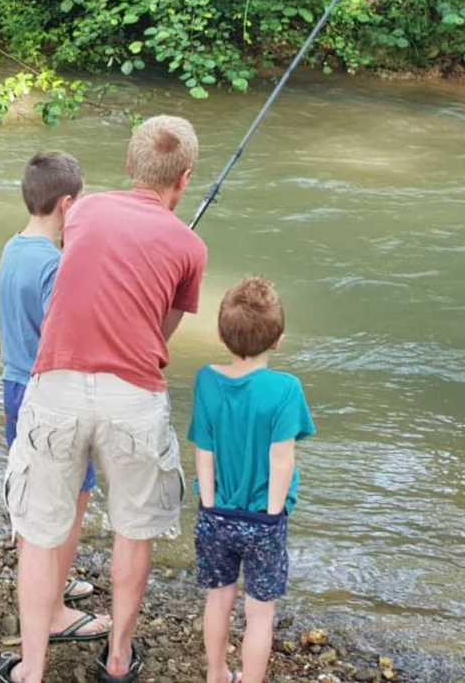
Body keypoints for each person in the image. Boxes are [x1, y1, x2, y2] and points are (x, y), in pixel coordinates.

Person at [0, 115, 208, 683]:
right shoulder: (191, 247)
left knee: (40, 535)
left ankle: (31, 671)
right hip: (133, 395)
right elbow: (158, 335)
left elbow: (84, 276)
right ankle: (116, 661)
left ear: (129, 166)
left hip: (56, 383)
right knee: (132, 530)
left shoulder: (83, 210)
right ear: (184, 179)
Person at [0, 151, 109, 647]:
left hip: (15, 388)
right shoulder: (55, 266)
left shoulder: (12, 248)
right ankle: (56, 612)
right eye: (80, 203)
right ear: (67, 204)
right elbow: (62, 343)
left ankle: (50, 584)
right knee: (69, 505)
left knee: (36, 501)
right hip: (50, 394)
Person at [189, 277, 314, 683]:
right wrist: (273, 515)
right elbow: (282, 460)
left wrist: (208, 503)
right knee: (260, 614)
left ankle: (216, 674)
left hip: (215, 511)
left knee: (218, 599)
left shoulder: (206, 380)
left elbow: (203, 450)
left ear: (224, 336)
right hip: (264, 518)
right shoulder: (285, 389)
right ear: (277, 340)